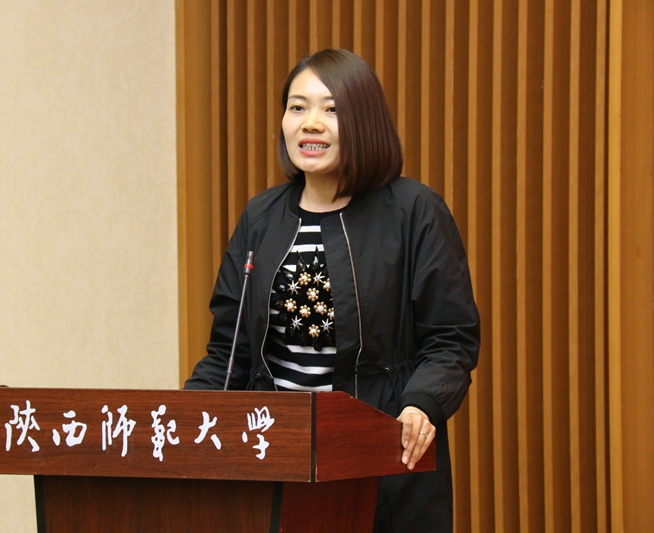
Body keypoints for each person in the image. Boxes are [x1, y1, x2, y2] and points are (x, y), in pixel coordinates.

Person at [185, 48, 480, 533]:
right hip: (273, 461)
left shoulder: (413, 210)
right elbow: (227, 352)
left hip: (379, 460)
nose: (311, 123)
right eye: (297, 107)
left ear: (365, 121)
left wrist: (421, 403)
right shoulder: (261, 217)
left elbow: (451, 339)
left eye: (332, 109)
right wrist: (184, 422)